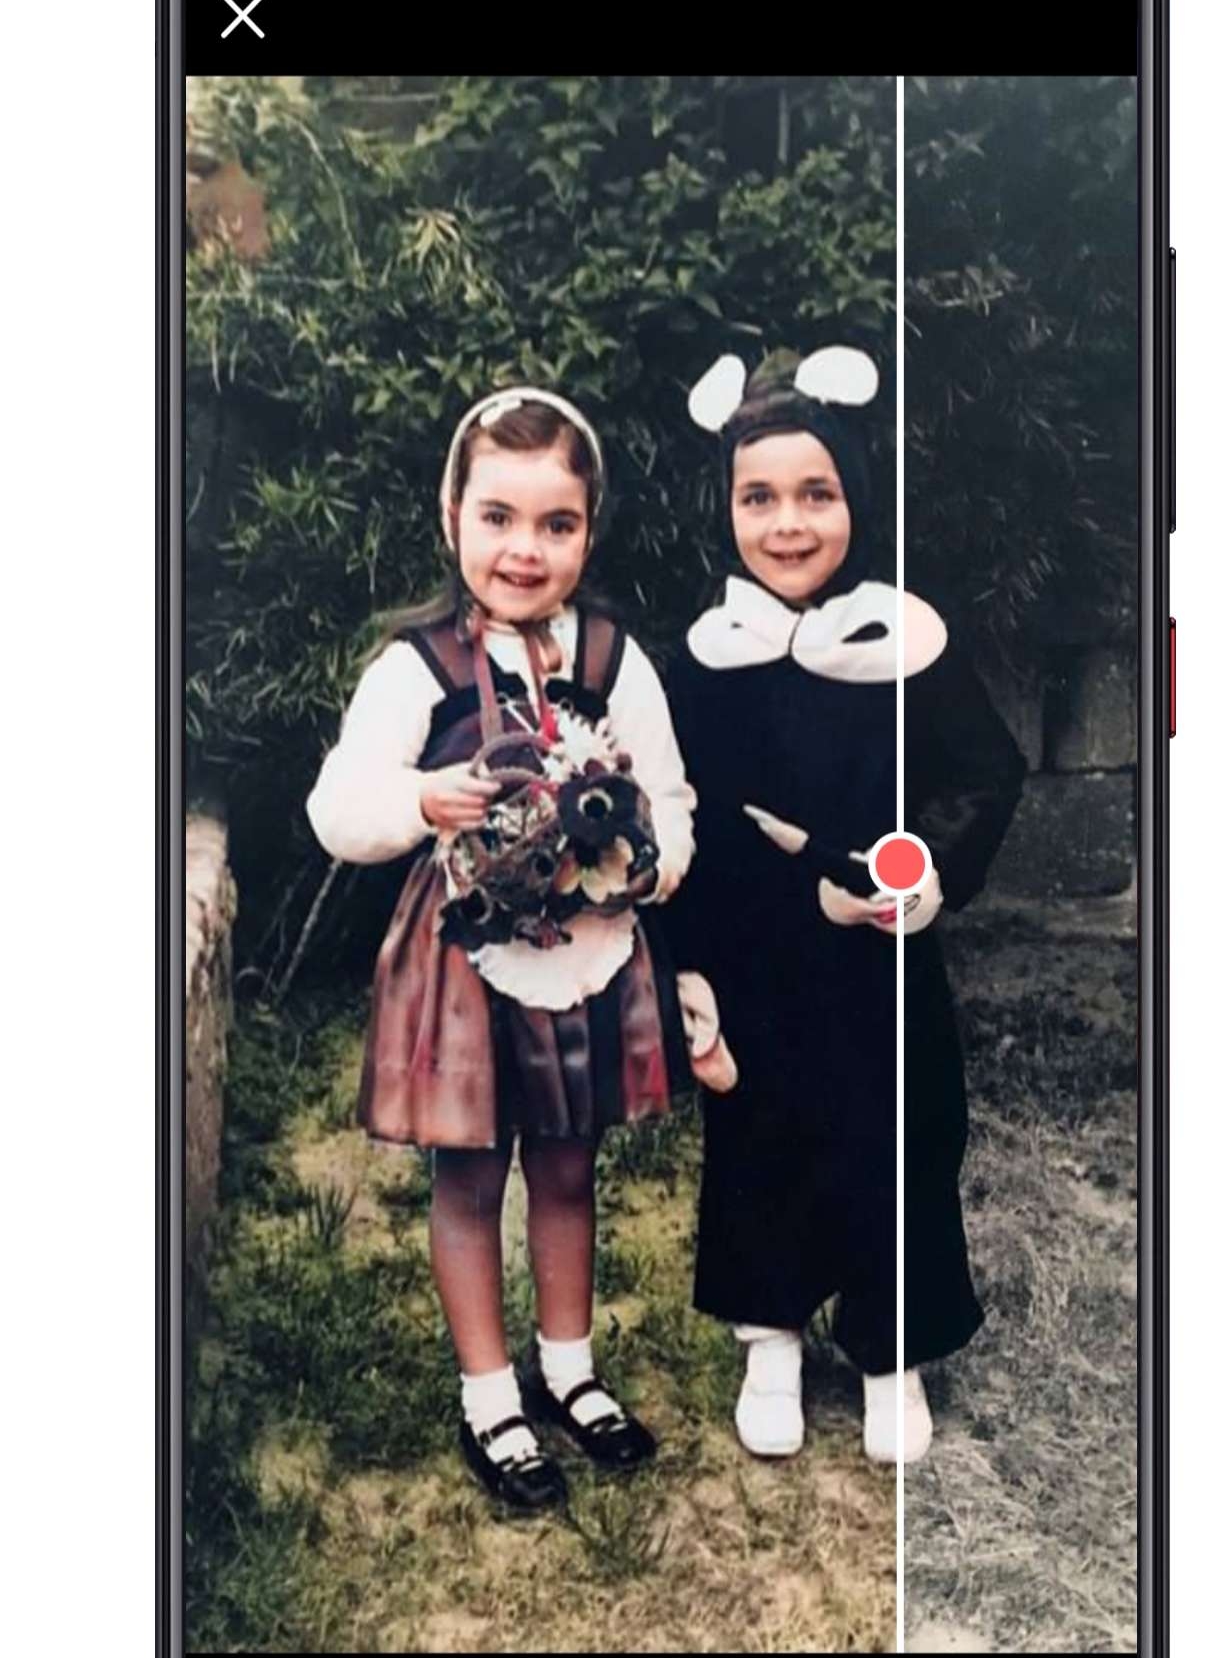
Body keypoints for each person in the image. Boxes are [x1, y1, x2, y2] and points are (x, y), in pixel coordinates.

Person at [308, 388, 695, 1513]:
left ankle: (569, 1371)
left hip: (585, 949)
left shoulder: (614, 659)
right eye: (498, 517)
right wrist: (421, 799)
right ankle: (491, 1397)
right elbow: (336, 808)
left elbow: (672, 798)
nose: (524, 549)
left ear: (588, 530)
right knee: (471, 1175)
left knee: (570, 1163)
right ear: (452, 517)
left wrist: (646, 861)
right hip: (467, 964)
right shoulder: (415, 666)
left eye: (555, 523)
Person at [665, 349, 1024, 1466]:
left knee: (895, 1142)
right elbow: (677, 812)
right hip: (752, 956)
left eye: (815, 493)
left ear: (855, 498)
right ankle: (768, 1337)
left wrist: (923, 874)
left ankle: (889, 1350)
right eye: (758, 498)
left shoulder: (903, 639)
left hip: (877, 958)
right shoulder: (703, 659)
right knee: (756, 1137)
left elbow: (983, 771)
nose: (787, 523)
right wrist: (687, 957)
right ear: (727, 508)